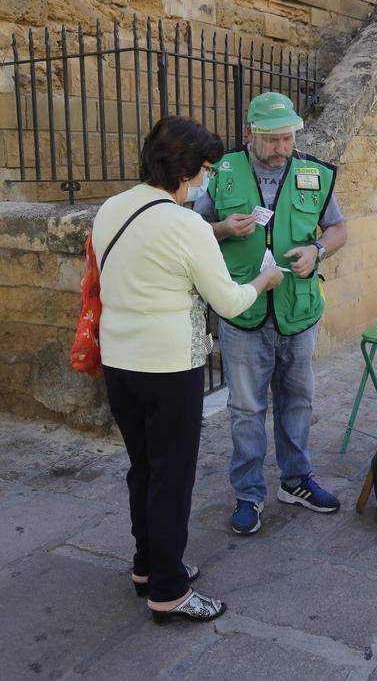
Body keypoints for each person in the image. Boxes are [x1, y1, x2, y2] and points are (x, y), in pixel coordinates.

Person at [92, 116, 282, 623]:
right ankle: (169, 591)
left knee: (144, 468)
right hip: (169, 367)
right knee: (172, 479)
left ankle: (147, 566)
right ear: (186, 170)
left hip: (119, 363)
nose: (204, 180)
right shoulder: (185, 224)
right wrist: (264, 280)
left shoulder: (112, 208)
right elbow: (231, 301)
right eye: (203, 171)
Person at [194, 92, 347, 535]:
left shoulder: (313, 173)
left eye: (288, 139)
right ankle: (248, 493)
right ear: (250, 134)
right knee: (245, 408)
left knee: (297, 400)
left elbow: (338, 230)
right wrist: (221, 228)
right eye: (274, 140)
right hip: (242, 312)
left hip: (298, 311)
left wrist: (317, 251)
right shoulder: (220, 173)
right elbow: (190, 231)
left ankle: (296, 480)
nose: (283, 148)